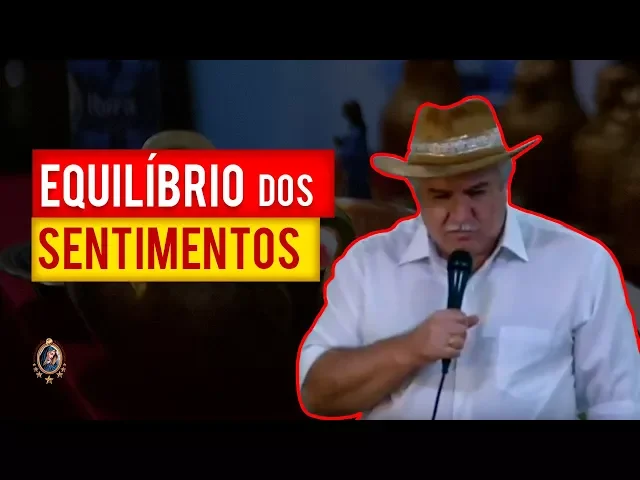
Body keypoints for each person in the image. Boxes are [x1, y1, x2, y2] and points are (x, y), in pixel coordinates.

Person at [298, 96, 640, 420]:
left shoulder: (581, 263)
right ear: (416, 194)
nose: (461, 214)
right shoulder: (368, 263)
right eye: (440, 195)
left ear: (505, 181)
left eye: (476, 192)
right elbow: (317, 392)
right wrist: (409, 349)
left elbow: (621, 404)